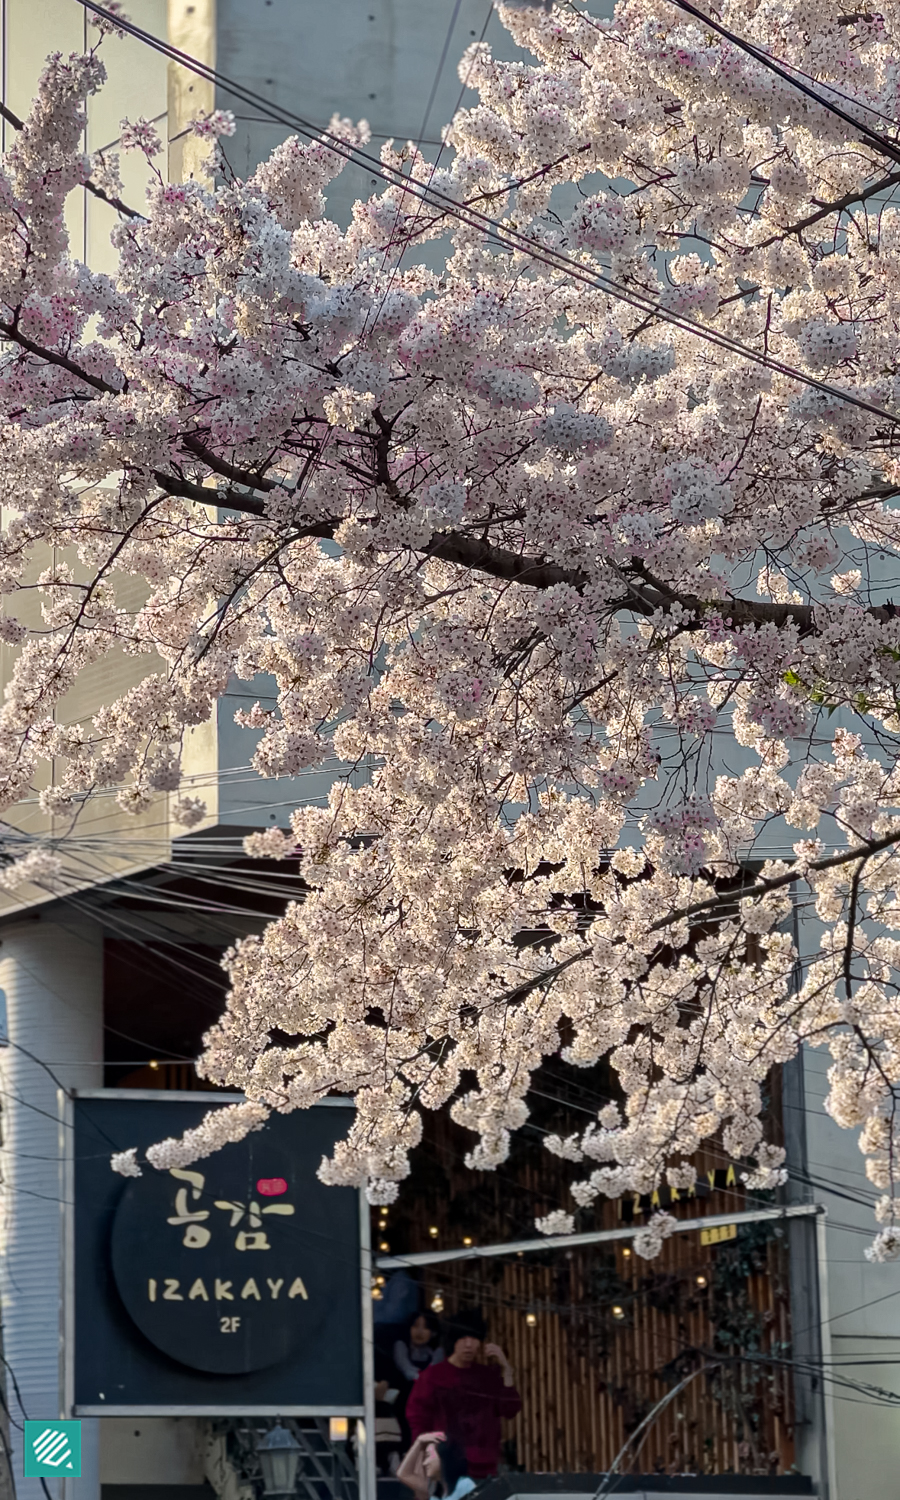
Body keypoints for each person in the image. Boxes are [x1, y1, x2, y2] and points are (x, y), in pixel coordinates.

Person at [405, 1310, 521, 1479]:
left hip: (485, 1465)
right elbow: (418, 1418)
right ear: (453, 1340)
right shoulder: (432, 1377)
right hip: (446, 1464)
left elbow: (510, 1408)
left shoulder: (487, 1376)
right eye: (463, 1338)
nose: (468, 1345)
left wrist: (507, 1369)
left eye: (473, 1339)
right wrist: (427, 1454)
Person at [396, 1433, 475, 1500]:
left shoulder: (465, 1485)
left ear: (444, 1457)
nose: (425, 1462)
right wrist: (419, 1441)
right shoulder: (435, 1491)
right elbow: (403, 1474)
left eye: (428, 1456)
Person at [394, 1311, 444, 1383]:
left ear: (434, 1333)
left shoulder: (436, 1352)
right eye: (415, 1326)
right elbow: (408, 1372)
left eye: (425, 1327)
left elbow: (436, 1374)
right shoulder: (401, 1346)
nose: (419, 1331)